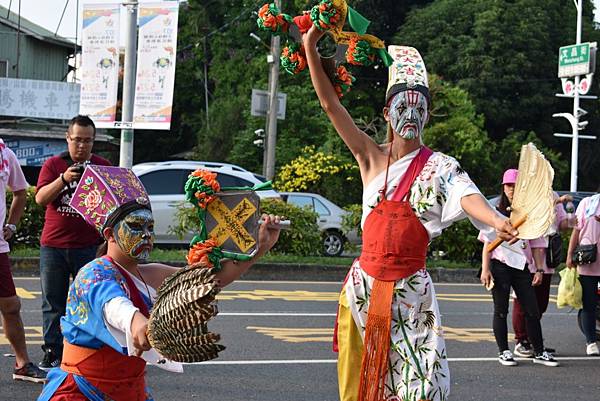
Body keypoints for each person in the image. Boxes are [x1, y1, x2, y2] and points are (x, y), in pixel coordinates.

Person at [303, 26, 518, 401]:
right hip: (365, 289)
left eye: (420, 108)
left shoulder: (441, 166)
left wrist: (497, 220)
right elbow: (330, 105)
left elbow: (467, 195)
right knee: (368, 384)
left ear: (428, 116)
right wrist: (309, 46)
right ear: (387, 112)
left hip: (412, 296)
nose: (411, 114)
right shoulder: (370, 157)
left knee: (422, 386)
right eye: (404, 106)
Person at [37, 165, 282, 400]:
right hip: (83, 391)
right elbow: (113, 305)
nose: (146, 234)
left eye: (150, 227)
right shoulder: (94, 273)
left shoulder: (150, 273)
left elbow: (210, 280)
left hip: (130, 390)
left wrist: (260, 247)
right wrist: (136, 323)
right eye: (135, 227)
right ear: (110, 234)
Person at [35, 115, 111, 370]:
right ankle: (52, 351)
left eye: (87, 141)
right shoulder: (54, 165)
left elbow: (113, 206)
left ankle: (87, 350)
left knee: (89, 301)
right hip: (53, 246)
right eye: (77, 140)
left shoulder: (102, 166)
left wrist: (107, 242)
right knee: (52, 302)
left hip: (88, 247)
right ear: (68, 138)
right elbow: (41, 198)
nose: (82, 146)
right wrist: (64, 179)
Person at [479, 169, 559, 367]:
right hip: (499, 265)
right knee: (501, 310)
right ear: (503, 187)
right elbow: (486, 245)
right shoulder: (494, 212)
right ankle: (504, 351)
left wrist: (539, 269)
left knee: (531, 310)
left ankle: (539, 352)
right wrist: (485, 269)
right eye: (508, 185)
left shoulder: (528, 214)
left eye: (515, 185)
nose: (512, 189)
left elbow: (538, 245)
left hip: (522, 265)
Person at [0, 140, 47, 383]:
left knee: (11, 306)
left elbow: (20, 192)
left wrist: (11, 224)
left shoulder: (5, 154)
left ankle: (22, 364)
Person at [511, 192, 574, 357]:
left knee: (540, 303)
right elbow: (533, 211)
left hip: (547, 257)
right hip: (527, 255)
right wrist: (556, 201)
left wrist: (570, 215)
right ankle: (521, 341)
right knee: (522, 303)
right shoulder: (530, 189)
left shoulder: (553, 193)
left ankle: (534, 339)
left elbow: (561, 224)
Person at [566, 192, 600, 355]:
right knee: (589, 303)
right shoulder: (587, 203)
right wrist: (569, 255)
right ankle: (591, 342)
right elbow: (576, 231)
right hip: (588, 259)